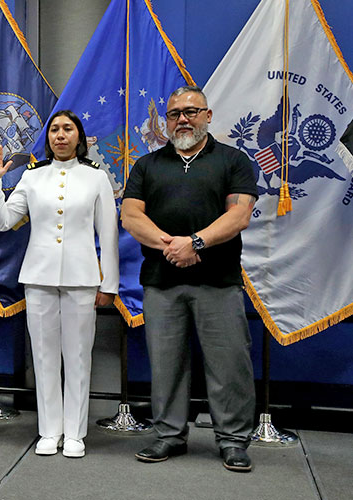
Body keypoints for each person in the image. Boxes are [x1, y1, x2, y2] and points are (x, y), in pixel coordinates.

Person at [121, 85, 258, 472]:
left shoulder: (233, 160)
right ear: (166, 121)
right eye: (174, 113)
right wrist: (173, 246)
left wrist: (195, 243)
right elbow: (131, 215)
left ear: (208, 116)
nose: (182, 119)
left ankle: (232, 441)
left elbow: (239, 215)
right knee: (166, 363)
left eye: (191, 111)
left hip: (219, 280)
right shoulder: (147, 165)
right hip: (161, 280)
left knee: (228, 363)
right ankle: (168, 435)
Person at [0, 110, 119, 458]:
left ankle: (74, 433)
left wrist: (110, 285)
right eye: (55, 129)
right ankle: (49, 431)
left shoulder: (96, 178)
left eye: (68, 129)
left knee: (76, 356)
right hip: (39, 276)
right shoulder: (32, 176)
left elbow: (109, 234)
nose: (61, 135)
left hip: (83, 277)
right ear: (48, 138)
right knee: (44, 356)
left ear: (79, 136)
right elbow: (1, 222)